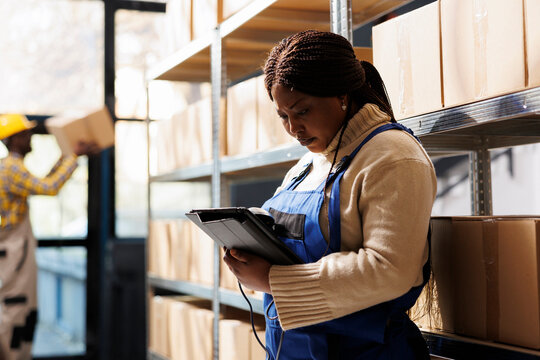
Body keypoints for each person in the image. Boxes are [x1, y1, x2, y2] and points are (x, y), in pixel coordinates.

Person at [223, 30, 437, 359]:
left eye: (302, 111)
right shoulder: (306, 166)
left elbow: (391, 270)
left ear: (342, 95)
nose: (293, 129)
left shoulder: (393, 156)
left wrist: (272, 280)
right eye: (283, 116)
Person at [0, 114, 98, 360]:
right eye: (25, 134)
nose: (30, 137)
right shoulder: (11, 168)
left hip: (15, 249)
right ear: (13, 140)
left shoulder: (13, 166)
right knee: (15, 309)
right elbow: (49, 188)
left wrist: (69, 156)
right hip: (13, 250)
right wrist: (73, 156)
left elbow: (45, 181)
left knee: (20, 309)